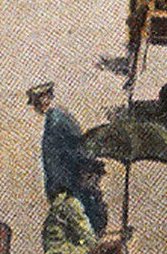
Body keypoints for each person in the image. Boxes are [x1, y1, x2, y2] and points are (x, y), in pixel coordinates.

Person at [26, 82, 107, 233]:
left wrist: (62, 186)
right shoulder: (55, 119)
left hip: (68, 185)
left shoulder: (56, 119)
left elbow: (70, 153)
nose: (36, 106)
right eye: (35, 102)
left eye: (38, 100)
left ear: (47, 97)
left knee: (78, 226)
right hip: (65, 185)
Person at [42, 160, 131, 254]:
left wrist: (117, 234)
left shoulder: (73, 198)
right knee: (115, 248)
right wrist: (118, 238)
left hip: (65, 252)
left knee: (114, 245)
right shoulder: (71, 204)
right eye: (95, 180)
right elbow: (90, 240)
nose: (97, 184)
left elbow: (90, 235)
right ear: (85, 177)